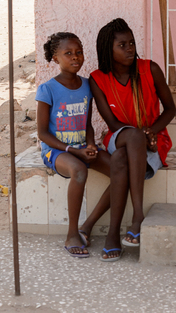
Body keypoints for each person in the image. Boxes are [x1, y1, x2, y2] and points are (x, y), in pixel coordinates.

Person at [90, 18, 176, 262]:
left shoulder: (151, 69)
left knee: (121, 163)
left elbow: (170, 110)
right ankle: (138, 216)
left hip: (152, 141)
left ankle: (111, 236)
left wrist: (152, 132)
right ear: (108, 49)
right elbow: (113, 125)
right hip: (118, 137)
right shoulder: (97, 78)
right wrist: (140, 135)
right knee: (131, 138)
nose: (130, 49)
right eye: (122, 45)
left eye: (132, 43)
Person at [36, 32, 124, 258]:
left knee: (120, 171)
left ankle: (88, 225)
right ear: (55, 58)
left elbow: (87, 123)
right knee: (79, 169)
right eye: (68, 54)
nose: (75, 57)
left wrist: (91, 144)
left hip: (82, 146)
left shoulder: (87, 85)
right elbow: (43, 133)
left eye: (79, 52)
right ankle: (72, 233)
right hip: (57, 151)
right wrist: (73, 150)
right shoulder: (47, 89)